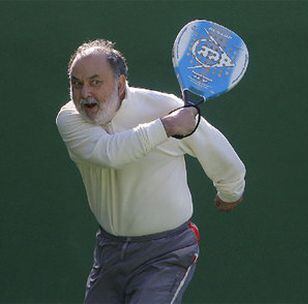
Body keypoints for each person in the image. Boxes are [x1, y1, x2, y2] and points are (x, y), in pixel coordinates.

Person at [56, 39, 246, 303]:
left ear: (121, 84)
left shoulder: (165, 107)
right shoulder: (69, 118)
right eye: (77, 83)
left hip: (168, 252)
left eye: (95, 82)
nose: (84, 92)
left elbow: (218, 151)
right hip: (110, 251)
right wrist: (166, 127)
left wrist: (231, 189)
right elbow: (109, 154)